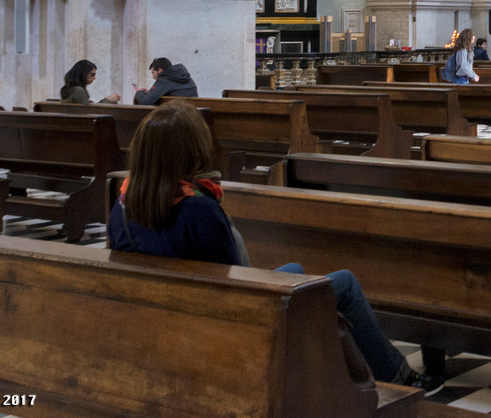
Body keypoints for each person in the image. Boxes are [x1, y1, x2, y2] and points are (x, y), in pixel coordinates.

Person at [107, 101, 442, 393]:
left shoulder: (122, 206)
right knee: (344, 285)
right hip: (228, 325)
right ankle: (398, 378)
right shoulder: (197, 209)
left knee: (295, 270)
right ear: (192, 151)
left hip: (171, 317)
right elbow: (236, 284)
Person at [132, 57, 199, 105]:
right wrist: (150, 93)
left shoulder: (163, 80)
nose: (153, 77)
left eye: (153, 73)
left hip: (176, 117)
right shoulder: (185, 77)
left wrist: (139, 91)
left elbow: (144, 102)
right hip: (191, 114)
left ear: (160, 70)